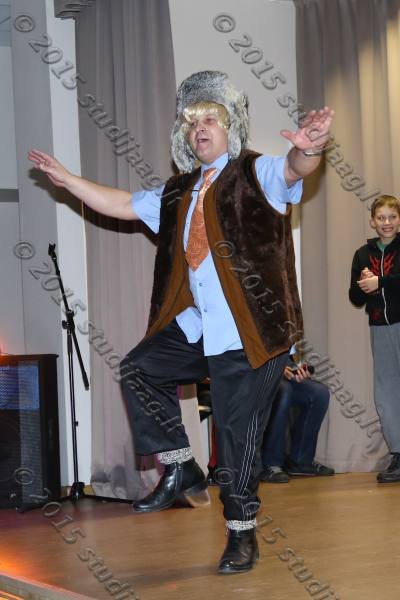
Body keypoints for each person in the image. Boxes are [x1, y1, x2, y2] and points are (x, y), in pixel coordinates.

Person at [28, 70, 333, 574]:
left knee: (236, 436)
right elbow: (122, 204)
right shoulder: (179, 192)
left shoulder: (256, 172)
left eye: (210, 119)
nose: (200, 129)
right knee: (139, 368)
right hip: (203, 326)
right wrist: (68, 180)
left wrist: (310, 148)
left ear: (230, 127)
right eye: (192, 123)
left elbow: (295, 168)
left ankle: (241, 534)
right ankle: (181, 467)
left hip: (253, 333)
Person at [349, 194, 400, 484]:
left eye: (392, 217)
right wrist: (363, 285)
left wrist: (380, 282)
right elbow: (355, 297)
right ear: (372, 221)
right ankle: (398, 454)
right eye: (381, 217)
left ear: (399, 220)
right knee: (387, 393)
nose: (387, 222)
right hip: (380, 327)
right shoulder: (361, 254)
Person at [260, 355, 334, 483]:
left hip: (280, 374)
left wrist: (295, 369)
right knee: (284, 390)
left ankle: (301, 461)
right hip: (257, 375)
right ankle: (270, 463)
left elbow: (285, 357)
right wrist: (276, 369)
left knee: (319, 394)